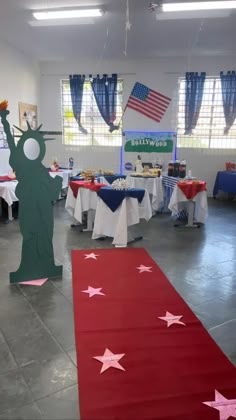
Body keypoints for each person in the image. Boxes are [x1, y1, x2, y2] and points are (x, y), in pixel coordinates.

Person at [0, 107, 62, 283]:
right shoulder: (24, 165)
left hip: (40, 210)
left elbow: (51, 191)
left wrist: (55, 182)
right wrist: (4, 121)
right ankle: (29, 267)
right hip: (32, 209)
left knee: (41, 236)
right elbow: (12, 143)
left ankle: (45, 264)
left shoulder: (31, 168)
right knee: (31, 237)